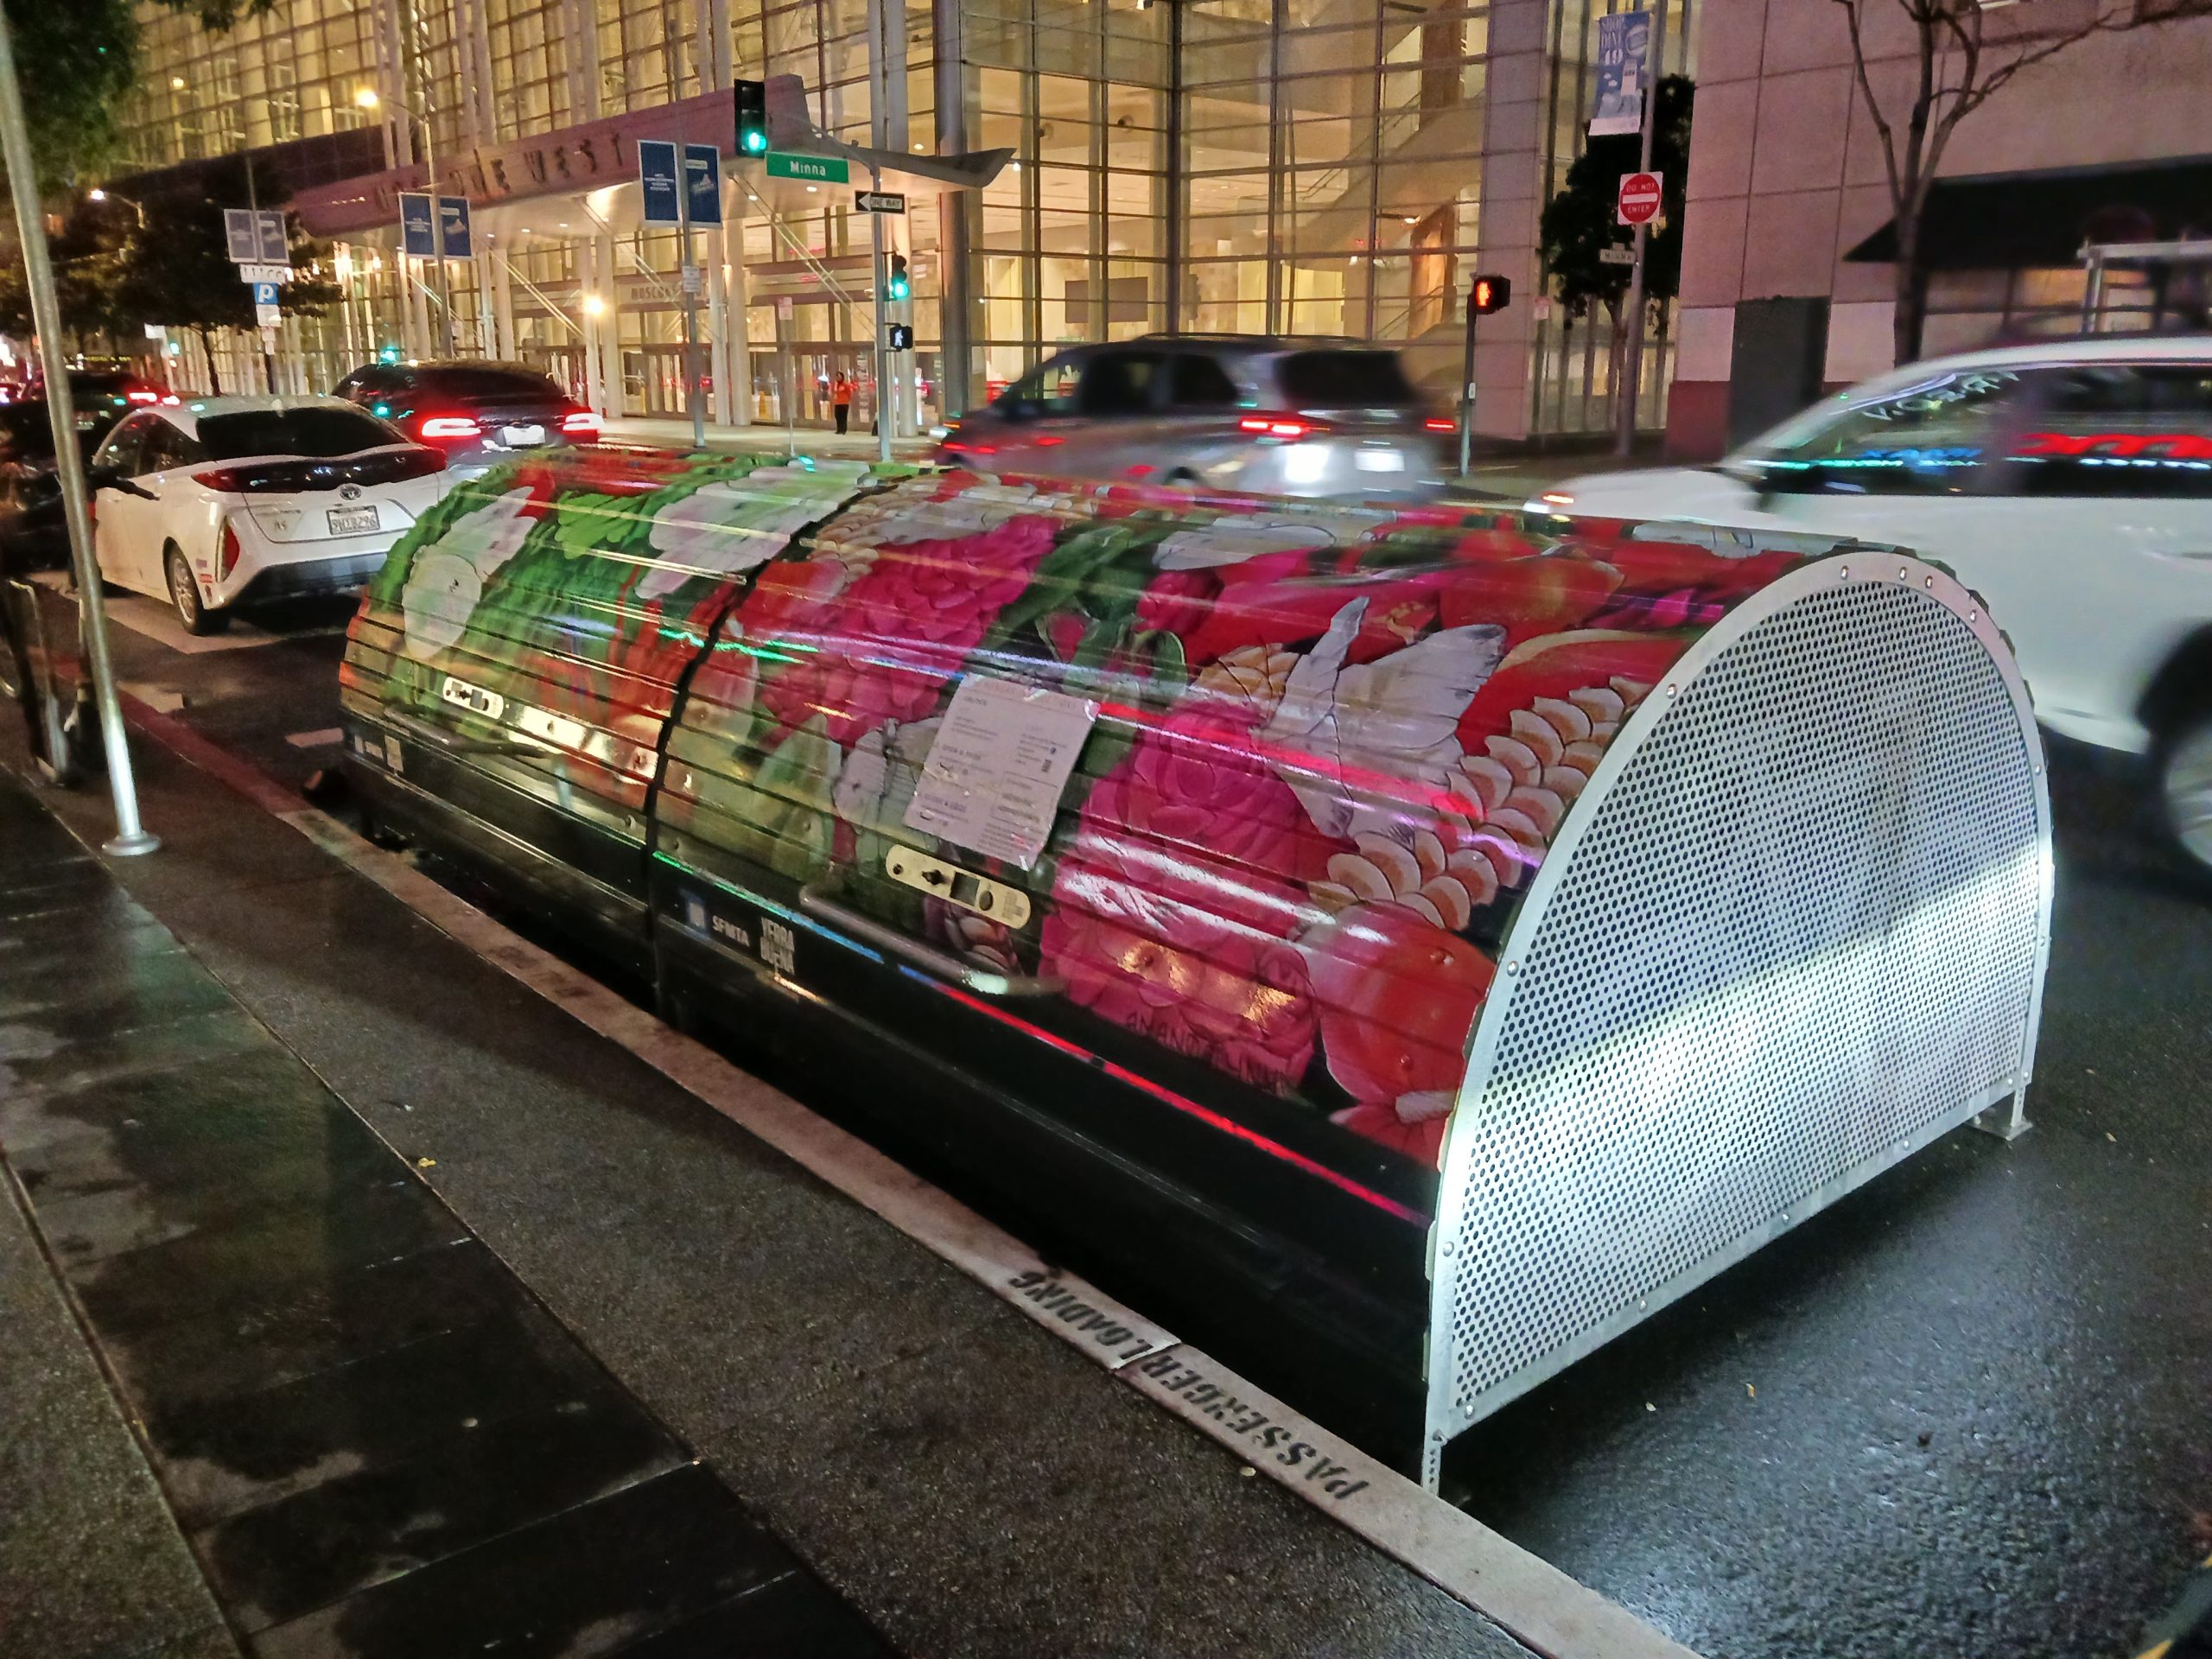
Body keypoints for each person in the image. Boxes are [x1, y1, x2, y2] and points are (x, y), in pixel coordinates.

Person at [831, 371, 855, 435]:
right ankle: (839, 429)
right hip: (837, 403)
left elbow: (849, 393)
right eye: (837, 376)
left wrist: (847, 400)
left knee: (843, 417)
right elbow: (833, 392)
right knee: (837, 416)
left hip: (844, 403)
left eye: (839, 376)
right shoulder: (835, 385)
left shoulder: (845, 385)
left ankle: (843, 430)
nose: (838, 378)